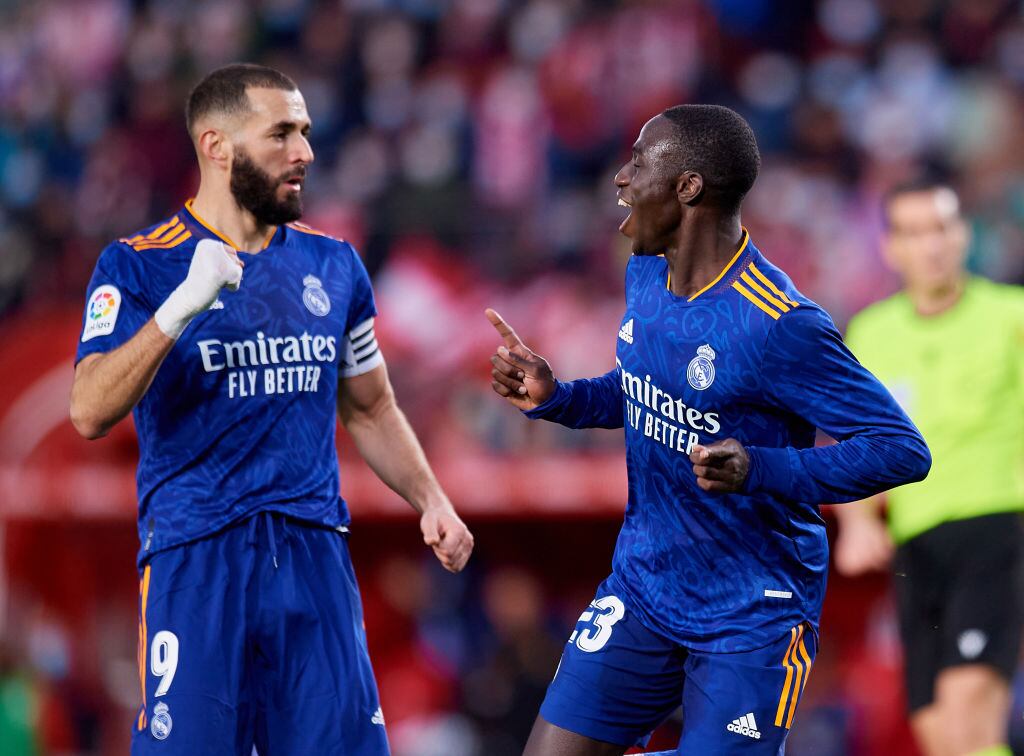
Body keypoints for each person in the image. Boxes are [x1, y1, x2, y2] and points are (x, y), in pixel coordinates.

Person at [486, 104, 931, 755]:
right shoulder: (646, 271)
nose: (620, 178)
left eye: (638, 163)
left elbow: (900, 450)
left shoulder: (779, 324)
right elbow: (643, 391)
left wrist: (764, 468)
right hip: (644, 585)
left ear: (688, 186)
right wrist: (561, 399)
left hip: (751, 612)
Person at [68, 63, 474, 756]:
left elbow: (372, 408)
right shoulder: (137, 266)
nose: (305, 153)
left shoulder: (335, 265)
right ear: (216, 146)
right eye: (282, 132)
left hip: (314, 552)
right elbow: (87, 410)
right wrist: (178, 310)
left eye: (307, 133)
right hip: (196, 558)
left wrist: (430, 498)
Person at [834, 179, 1024, 756]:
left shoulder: (1011, 316)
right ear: (891, 248)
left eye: (941, 228)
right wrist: (858, 523)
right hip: (914, 543)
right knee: (939, 734)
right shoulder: (871, 333)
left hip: (998, 525)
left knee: (970, 714)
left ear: (964, 235)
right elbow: (859, 441)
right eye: (914, 233)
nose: (932, 246)